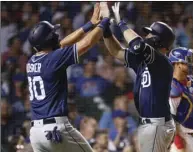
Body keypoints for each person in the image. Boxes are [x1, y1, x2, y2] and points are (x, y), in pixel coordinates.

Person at [26, 3, 110, 152]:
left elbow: (63, 44)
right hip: (55, 129)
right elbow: (87, 43)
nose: (56, 35)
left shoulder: (32, 60)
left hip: (36, 134)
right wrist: (105, 21)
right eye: (53, 33)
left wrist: (89, 24)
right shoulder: (54, 59)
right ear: (48, 40)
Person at [99, 2, 176, 152]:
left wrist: (121, 23)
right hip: (152, 124)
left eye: (150, 33)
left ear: (157, 40)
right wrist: (106, 29)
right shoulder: (143, 61)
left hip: (157, 124)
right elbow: (116, 51)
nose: (147, 36)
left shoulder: (162, 61)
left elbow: (138, 45)